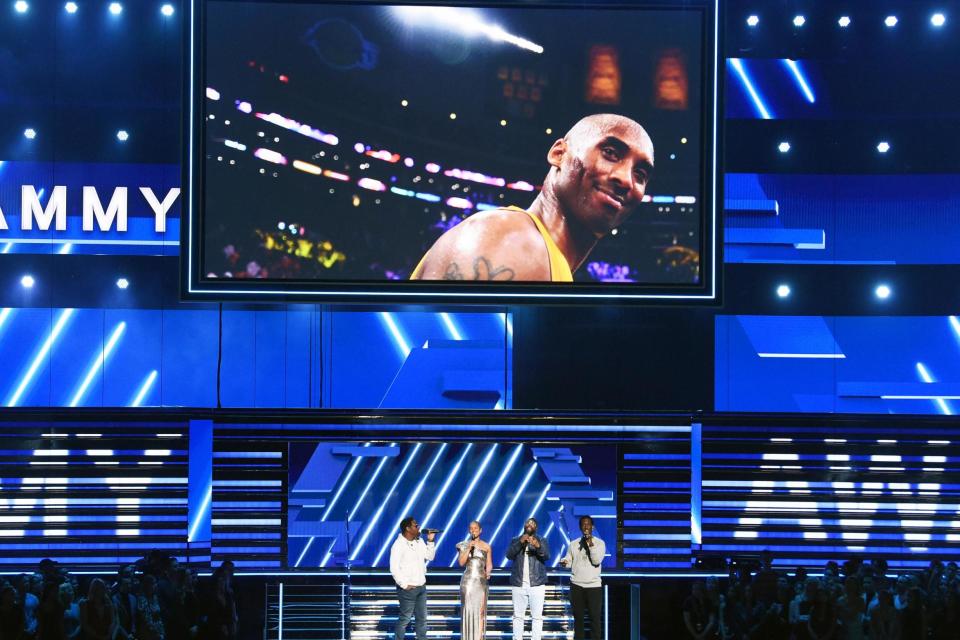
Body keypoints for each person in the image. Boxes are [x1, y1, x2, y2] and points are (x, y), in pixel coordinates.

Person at [411, 113, 654, 282]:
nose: (626, 180)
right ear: (559, 153)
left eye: (640, 174)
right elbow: (451, 355)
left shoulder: (547, 258)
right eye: (610, 153)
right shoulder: (514, 240)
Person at [389, 517, 437, 640]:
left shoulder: (419, 541)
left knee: (422, 619)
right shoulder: (398, 545)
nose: (419, 527)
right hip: (407, 589)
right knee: (405, 619)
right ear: (408, 528)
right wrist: (404, 585)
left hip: (421, 587)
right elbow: (394, 568)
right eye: (416, 525)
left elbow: (430, 557)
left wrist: (430, 542)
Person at [559, 515, 606, 640]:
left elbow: (596, 561)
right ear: (580, 527)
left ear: (592, 526)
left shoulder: (600, 543)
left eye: (588, 524)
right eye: (583, 524)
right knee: (578, 619)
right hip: (576, 586)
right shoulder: (574, 544)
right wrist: (564, 562)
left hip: (593, 586)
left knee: (594, 619)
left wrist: (590, 544)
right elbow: (569, 561)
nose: (586, 526)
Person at [506, 518, 551, 640]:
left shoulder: (542, 540)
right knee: (518, 617)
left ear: (536, 528)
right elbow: (509, 555)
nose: (530, 524)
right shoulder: (516, 540)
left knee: (536, 617)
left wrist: (538, 546)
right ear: (524, 526)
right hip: (518, 584)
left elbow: (547, 555)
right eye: (528, 523)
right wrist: (520, 542)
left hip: (537, 584)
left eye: (533, 523)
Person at [456, 521, 492, 640]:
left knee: (480, 612)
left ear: (480, 530)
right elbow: (461, 562)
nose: (473, 530)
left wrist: (488, 572)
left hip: (481, 583)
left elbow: (489, 564)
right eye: (471, 528)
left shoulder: (486, 546)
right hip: (468, 583)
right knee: (468, 611)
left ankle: (479, 638)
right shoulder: (463, 545)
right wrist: (468, 548)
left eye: (475, 528)